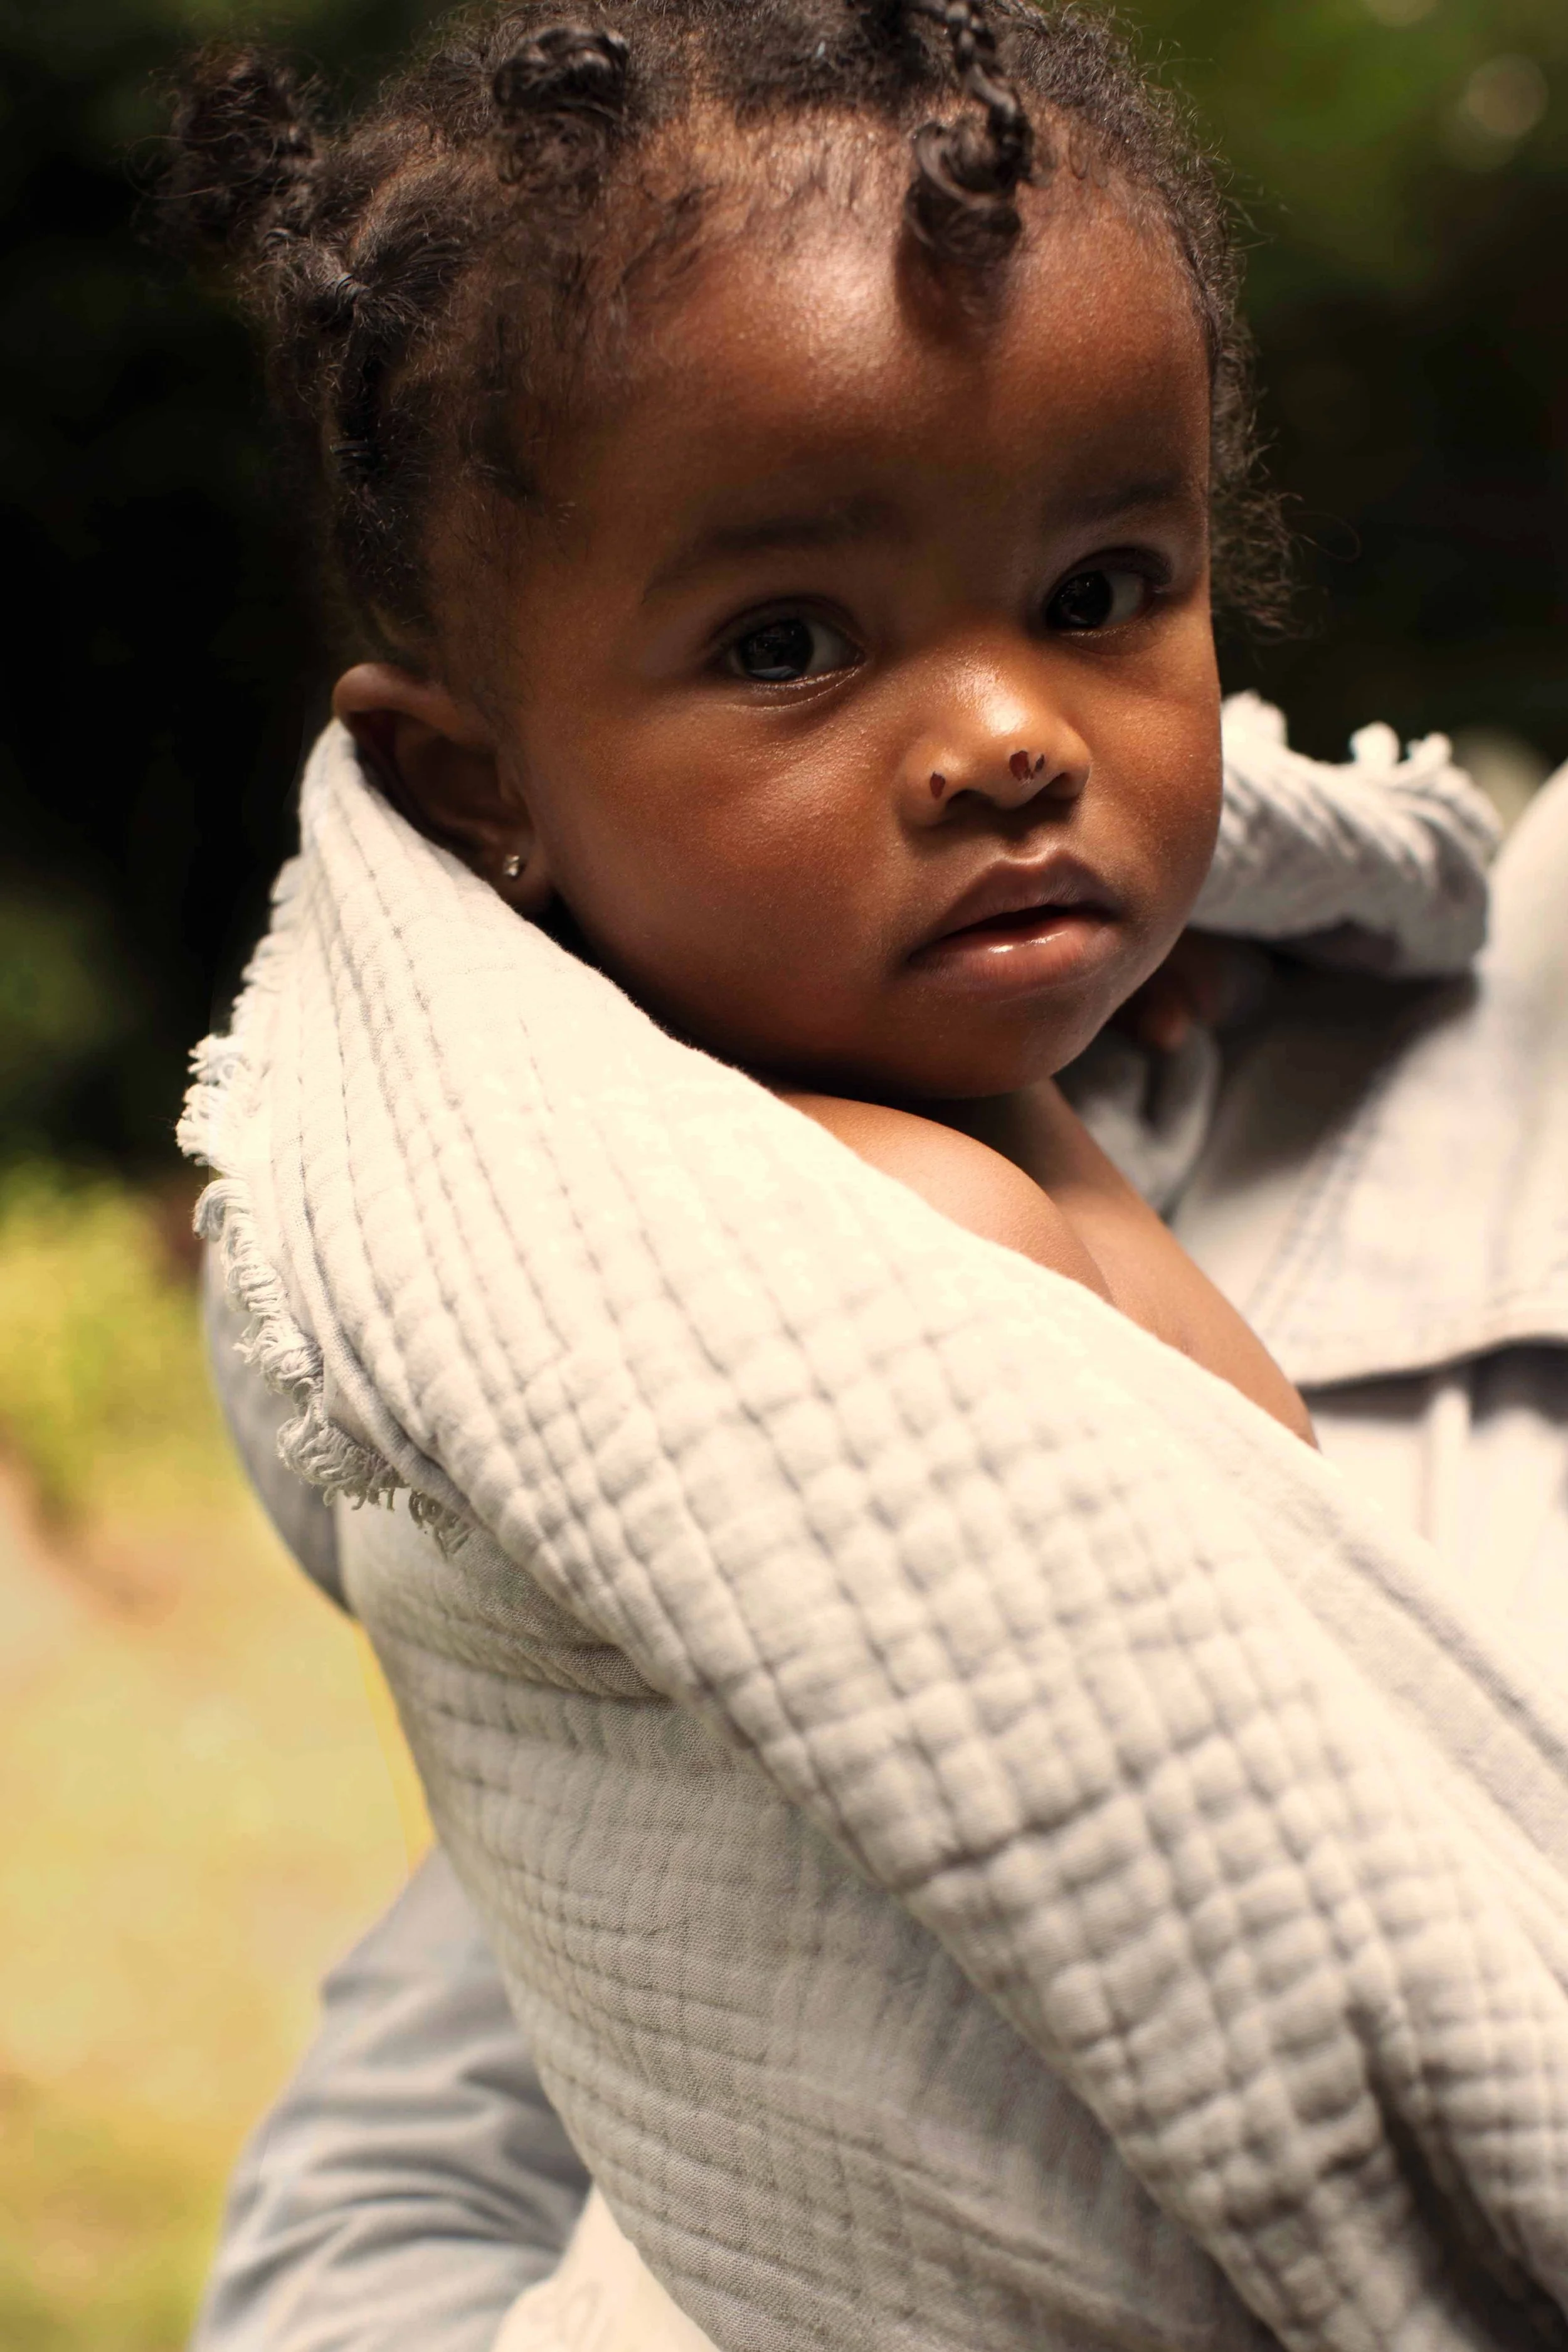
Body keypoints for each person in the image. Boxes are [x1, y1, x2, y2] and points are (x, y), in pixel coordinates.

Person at [167, 4, 1562, 2344]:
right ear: (468, 785)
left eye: (1103, 591)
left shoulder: (1025, 1100)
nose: (1011, 732)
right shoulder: (844, 1253)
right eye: (789, 643)